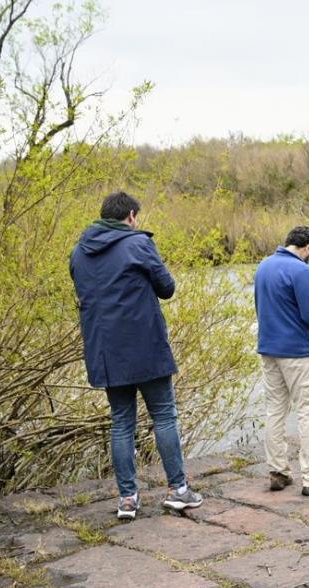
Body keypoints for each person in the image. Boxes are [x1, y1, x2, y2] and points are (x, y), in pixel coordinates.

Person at [69, 192, 203, 520]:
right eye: (136, 218)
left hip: (104, 350)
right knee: (164, 415)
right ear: (130, 216)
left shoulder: (78, 253)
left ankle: (127, 499)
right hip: (145, 346)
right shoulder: (137, 244)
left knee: (121, 422)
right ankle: (178, 490)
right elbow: (167, 288)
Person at [254, 225, 309, 496]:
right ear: (308, 248)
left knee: (275, 410)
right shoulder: (302, 270)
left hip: (269, 348)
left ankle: (278, 471)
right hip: (298, 353)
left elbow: (277, 300)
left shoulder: (264, 266)